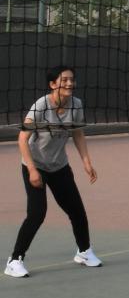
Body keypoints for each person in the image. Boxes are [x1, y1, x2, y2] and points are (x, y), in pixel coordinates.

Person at [5, 65, 100, 278]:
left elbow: (78, 133)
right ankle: (14, 260)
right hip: (35, 164)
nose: (69, 83)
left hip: (59, 166)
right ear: (53, 84)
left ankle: (84, 252)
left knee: (77, 211)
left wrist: (86, 162)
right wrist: (32, 170)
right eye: (64, 79)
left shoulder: (76, 104)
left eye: (71, 79)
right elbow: (22, 139)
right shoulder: (41, 106)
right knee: (37, 213)